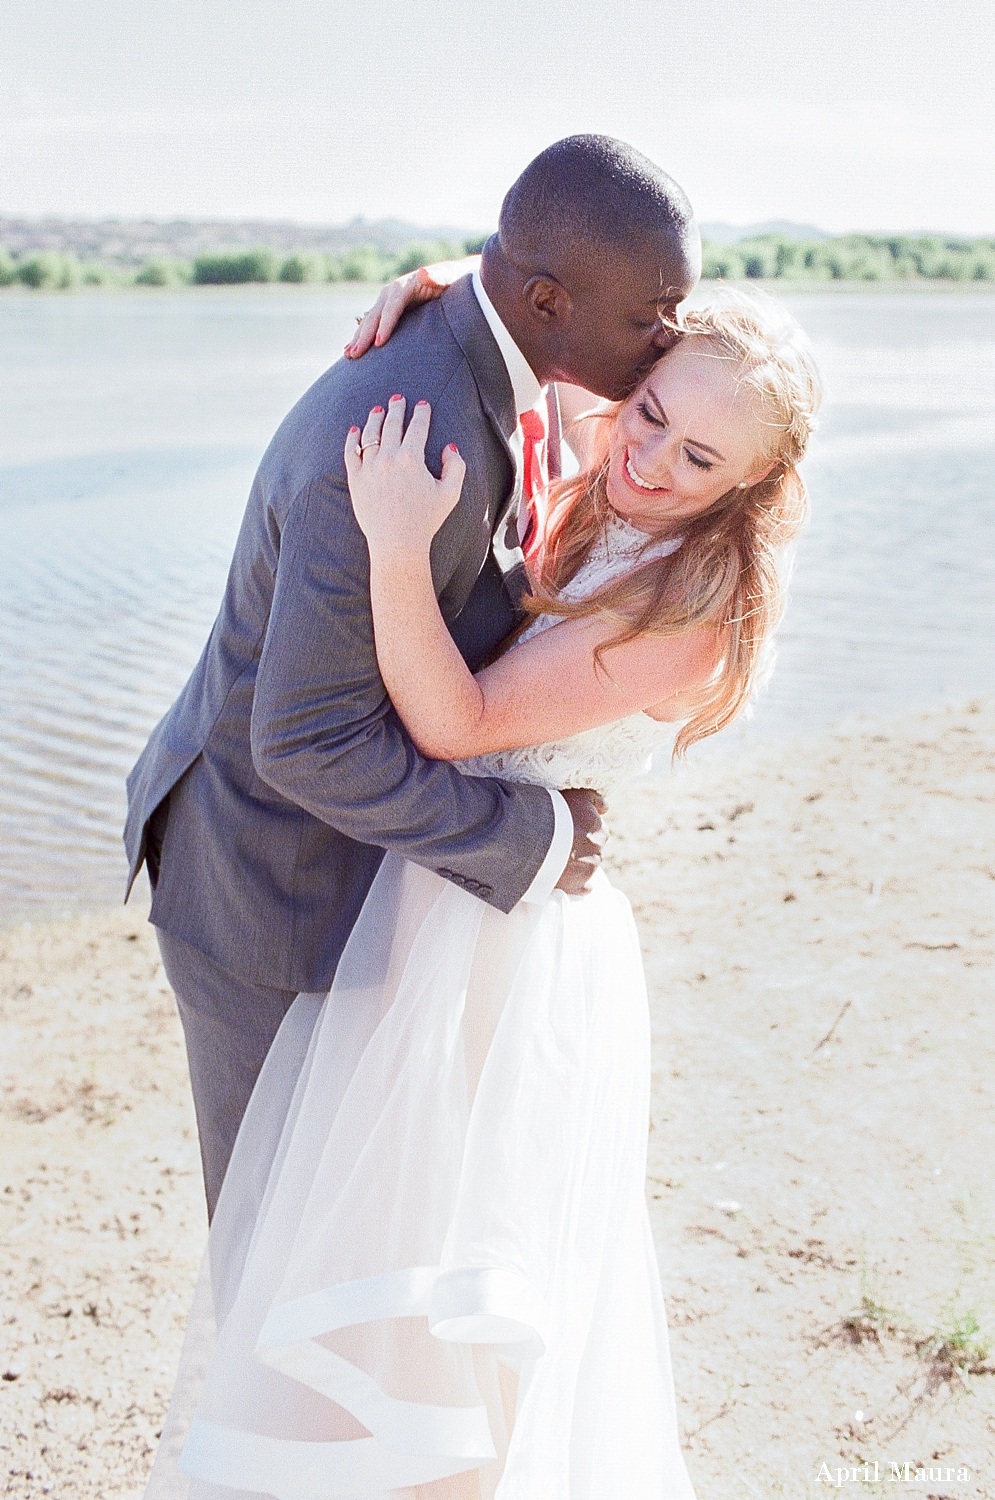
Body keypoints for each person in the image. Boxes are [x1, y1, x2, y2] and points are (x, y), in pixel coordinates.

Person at [144, 287, 821, 1498]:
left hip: (502, 949)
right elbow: (540, 323)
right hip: (437, 898)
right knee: (376, 1252)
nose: (653, 461)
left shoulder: (684, 607)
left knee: (451, 1278)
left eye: (698, 457)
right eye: (652, 415)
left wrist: (398, 546)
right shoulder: (608, 453)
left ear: (749, 484)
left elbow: (456, 724)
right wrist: (442, 281)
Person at [123, 134, 700, 1222]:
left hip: (359, 878)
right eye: (652, 315)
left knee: (369, 1242)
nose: (670, 336)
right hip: (267, 889)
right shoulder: (406, 432)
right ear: (543, 299)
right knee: (275, 1253)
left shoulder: (520, 351)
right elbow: (305, 741)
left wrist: (457, 273)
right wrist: (533, 841)